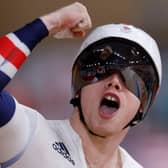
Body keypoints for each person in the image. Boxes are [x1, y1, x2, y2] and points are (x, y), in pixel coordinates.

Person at [0, 2, 162, 168]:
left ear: (144, 103)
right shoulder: (29, 135)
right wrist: (48, 24)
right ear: (78, 85)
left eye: (131, 77)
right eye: (101, 69)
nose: (114, 82)